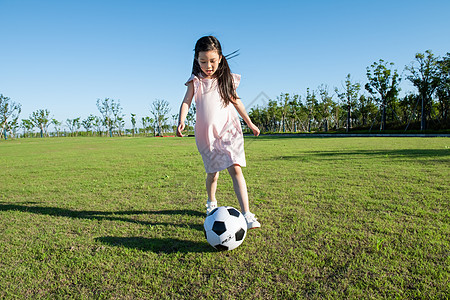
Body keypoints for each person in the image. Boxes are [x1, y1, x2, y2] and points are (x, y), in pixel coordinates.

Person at [177, 36, 261, 229]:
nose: (208, 66)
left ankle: (247, 214)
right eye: (203, 61)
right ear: (196, 60)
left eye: (212, 61)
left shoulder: (226, 79)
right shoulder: (195, 81)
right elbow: (186, 101)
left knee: (235, 168)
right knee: (213, 174)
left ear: (220, 58)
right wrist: (181, 120)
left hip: (229, 130)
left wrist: (250, 123)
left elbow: (237, 101)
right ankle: (211, 201)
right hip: (207, 135)